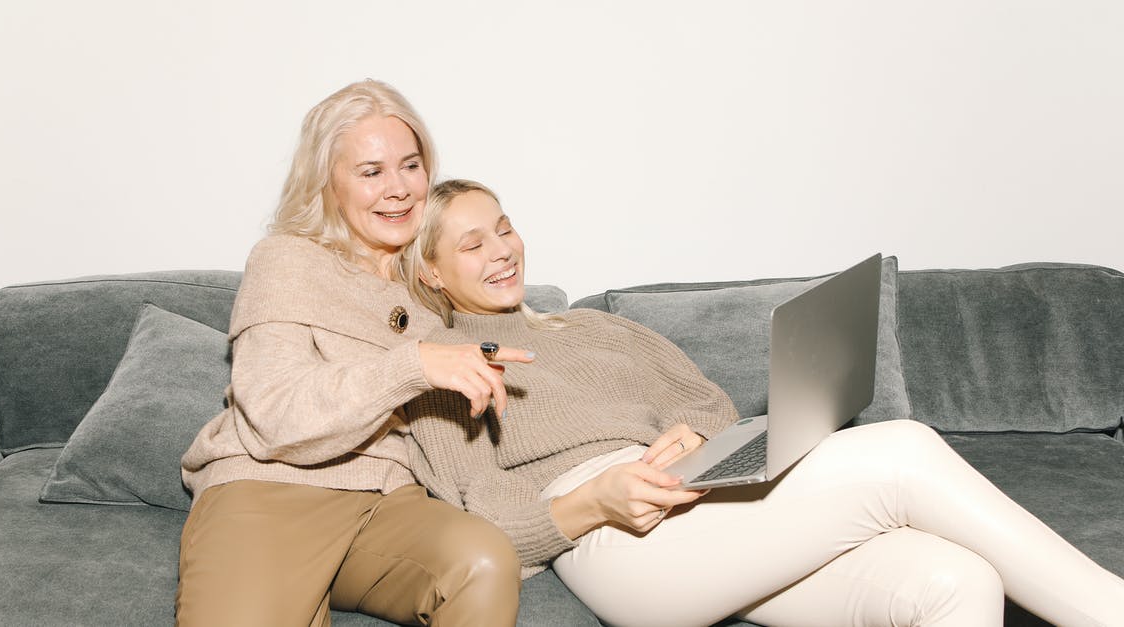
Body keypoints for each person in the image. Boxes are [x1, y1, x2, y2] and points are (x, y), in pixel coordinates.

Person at [397, 178, 1124, 627]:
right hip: (617, 541)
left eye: (504, 226)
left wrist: (690, 437)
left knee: (953, 580)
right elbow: (482, 523)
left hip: (708, 502)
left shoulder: (598, 328)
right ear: (431, 269)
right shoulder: (439, 375)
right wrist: (597, 497)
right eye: (471, 243)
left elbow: (715, 409)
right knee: (903, 449)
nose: (502, 248)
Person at [176, 83, 533, 627]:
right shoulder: (287, 260)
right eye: (371, 172)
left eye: (411, 166)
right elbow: (274, 413)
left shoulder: (436, 289)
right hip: (272, 489)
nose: (398, 189)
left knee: (483, 558)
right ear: (327, 187)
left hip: (390, 503)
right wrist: (414, 365)